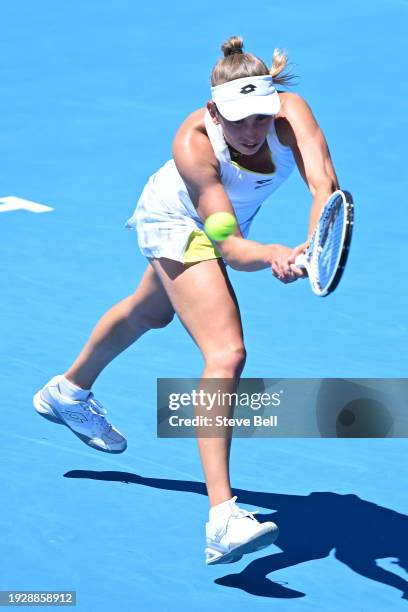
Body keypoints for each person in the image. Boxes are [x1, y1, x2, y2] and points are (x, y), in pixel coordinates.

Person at [33, 36, 339, 565]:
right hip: (177, 218)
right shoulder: (194, 143)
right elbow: (225, 245)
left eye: (261, 118)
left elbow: (324, 187)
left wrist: (311, 247)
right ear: (214, 111)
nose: (251, 131)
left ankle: (68, 390)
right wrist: (270, 254)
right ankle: (222, 517)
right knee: (227, 353)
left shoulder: (291, 115)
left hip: (228, 224)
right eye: (238, 120)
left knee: (150, 312)